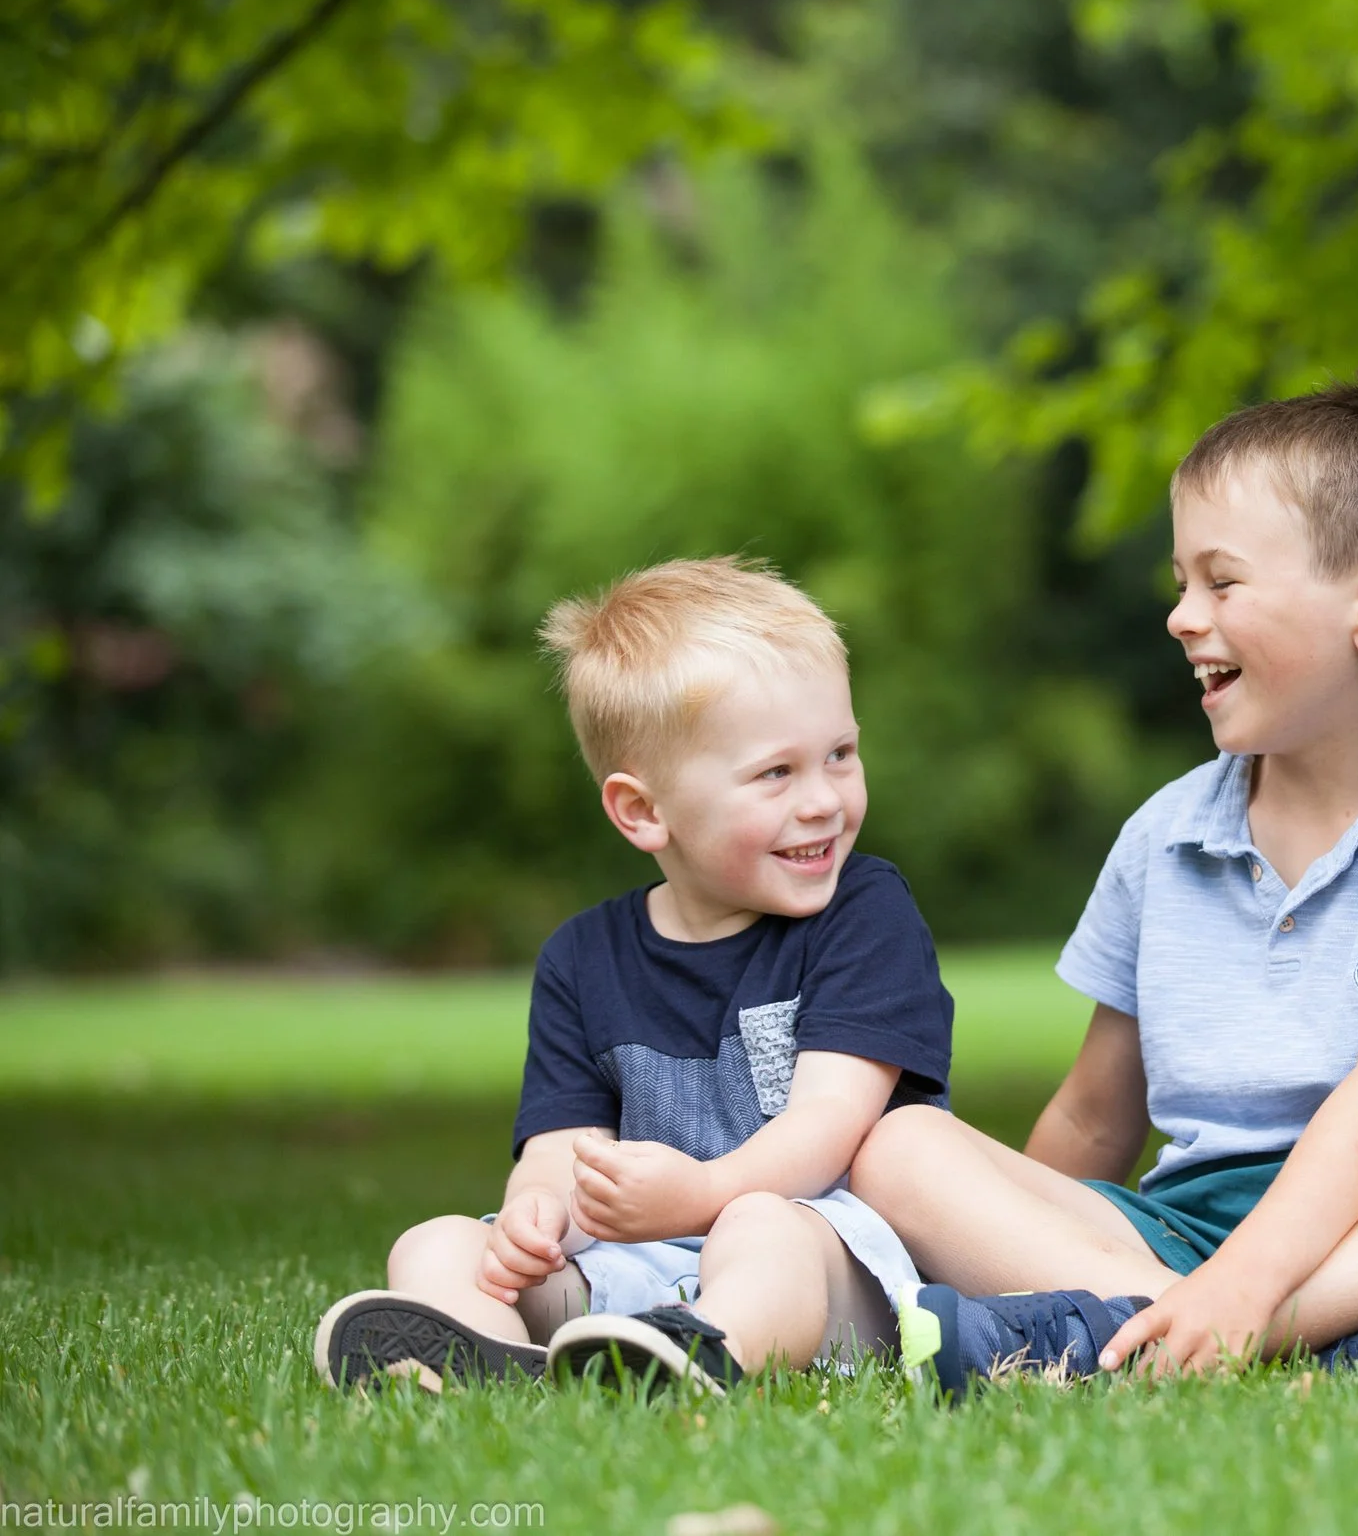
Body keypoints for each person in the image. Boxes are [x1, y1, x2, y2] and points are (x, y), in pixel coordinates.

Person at [847, 377, 1358, 1398]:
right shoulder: (1164, 835)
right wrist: (1017, 1226)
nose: (1183, 617)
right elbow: (1097, 1118)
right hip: (1179, 1230)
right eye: (1180, 582)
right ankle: (1193, 1328)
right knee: (897, 1142)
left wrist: (1244, 1287)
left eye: (1221, 582)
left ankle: (1166, 1336)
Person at [314, 557, 952, 1395]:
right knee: (435, 1242)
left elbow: (831, 1126)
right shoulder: (582, 958)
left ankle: (700, 1351)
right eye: (776, 772)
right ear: (643, 811)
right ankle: (483, 1364)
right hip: (637, 1268)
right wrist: (537, 1214)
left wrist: (704, 1193)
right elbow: (560, 1149)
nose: (824, 799)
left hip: (828, 1256)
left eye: (840, 753)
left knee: (759, 1227)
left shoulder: (864, 912)